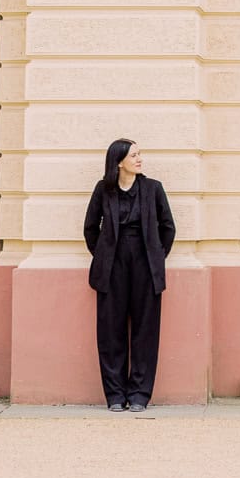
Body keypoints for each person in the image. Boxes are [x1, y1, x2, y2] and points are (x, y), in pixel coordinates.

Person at [83, 138, 175, 413]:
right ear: (119, 161)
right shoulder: (104, 190)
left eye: (139, 154)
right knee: (110, 332)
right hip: (111, 266)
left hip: (146, 264)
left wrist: (156, 257)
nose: (139, 159)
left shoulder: (153, 188)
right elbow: (90, 228)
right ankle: (114, 394)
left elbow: (168, 227)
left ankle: (139, 394)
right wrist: (103, 255)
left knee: (145, 331)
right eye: (134, 155)